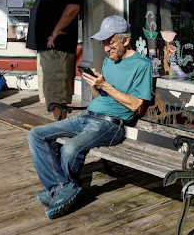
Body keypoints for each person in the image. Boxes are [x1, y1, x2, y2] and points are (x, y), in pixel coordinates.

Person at [27, 15, 153, 219]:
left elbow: (136, 104)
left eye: (110, 43)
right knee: (36, 134)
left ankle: (60, 192)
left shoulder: (142, 65)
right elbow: (100, 98)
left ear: (126, 40)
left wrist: (106, 86)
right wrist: (95, 86)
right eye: (104, 44)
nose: (106, 49)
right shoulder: (108, 61)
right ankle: (62, 189)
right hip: (88, 116)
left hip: (110, 124)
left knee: (70, 148)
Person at [25, 0, 83, 120]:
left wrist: (56, 32)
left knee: (58, 96)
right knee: (51, 95)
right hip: (47, 47)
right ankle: (57, 127)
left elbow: (73, 7)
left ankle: (61, 131)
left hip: (57, 47)